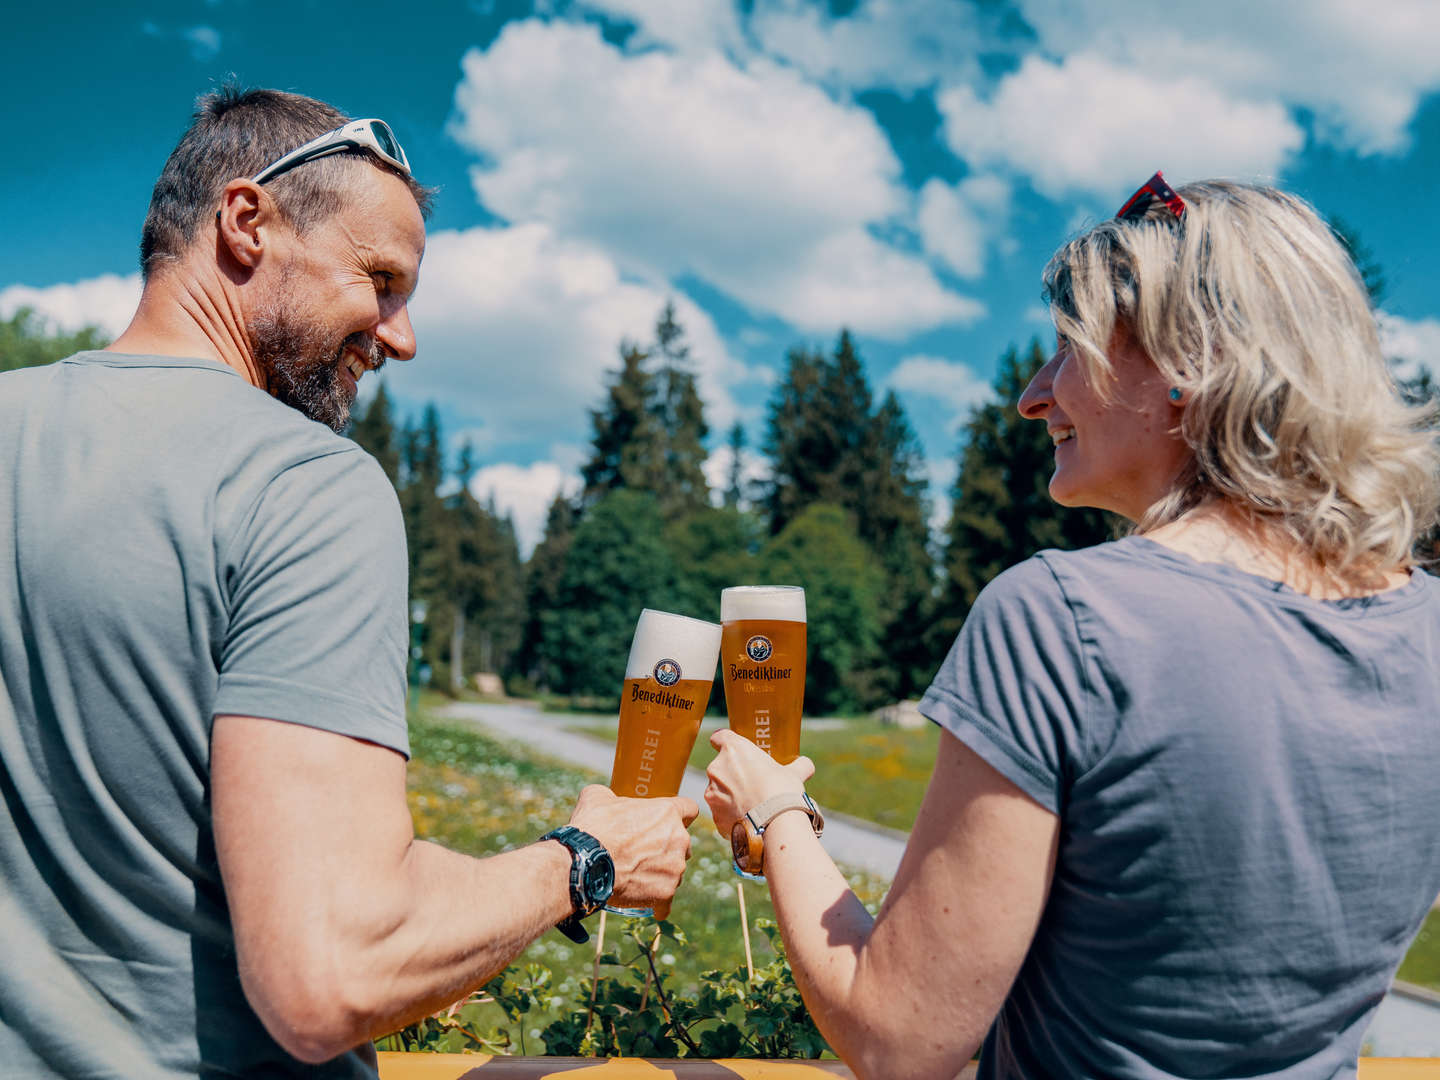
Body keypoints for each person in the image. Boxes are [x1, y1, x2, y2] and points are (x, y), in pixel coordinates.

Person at [0, 86, 696, 1077]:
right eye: (381, 279)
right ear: (246, 223)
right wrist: (585, 858)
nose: (400, 335)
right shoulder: (300, 484)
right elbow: (331, 971)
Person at [706, 175, 1440, 1079]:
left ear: (1189, 363)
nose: (1032, 393)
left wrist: (775, 809)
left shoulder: (1060, 619)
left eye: (1069, 347)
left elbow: (898, 1036)